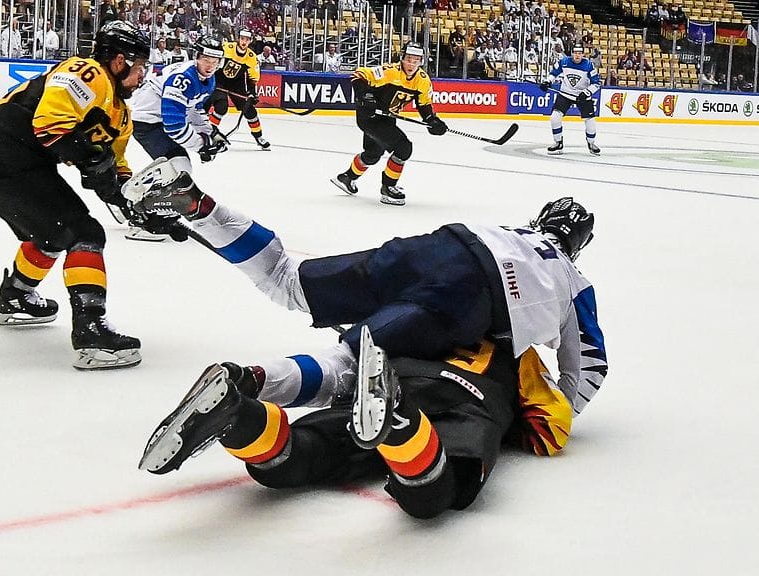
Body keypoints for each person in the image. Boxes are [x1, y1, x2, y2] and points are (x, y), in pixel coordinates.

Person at [129, 164, 606, 518]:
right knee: (349, 365)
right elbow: (589, 365)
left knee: (287, 279)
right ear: (577, 245)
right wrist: (554, 409)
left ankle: (200, 210)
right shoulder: (571, 277)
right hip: (476, 303)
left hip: (443, 246)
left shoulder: (505, 229)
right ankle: (354, 409)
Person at [0, 21, 151, 370]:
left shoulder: (120, 115)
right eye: (139, 68)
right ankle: (92, 333)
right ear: (120, 61)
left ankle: (16, 297)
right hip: (2, 156)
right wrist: (92, 159)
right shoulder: (87, 72)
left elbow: (115, 167)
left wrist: (135, 202)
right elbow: (51, 126)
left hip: (13, 163)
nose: (142, 77)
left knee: (53, 232)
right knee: (84, 234)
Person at [124, 35, 226, 242]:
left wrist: (210, 133)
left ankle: (147, 206)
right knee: (180, 168)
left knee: (179, 168)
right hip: (146, 121)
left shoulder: (207, 79)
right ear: (196, 57)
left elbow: (193, 108)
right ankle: (136, 205)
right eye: (206, 59)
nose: (210, 65)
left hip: (156, 119)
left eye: (215, 61)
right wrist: (202, 145)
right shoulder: (183, 78)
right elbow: (175, 126)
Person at [331, 43, 447, 206]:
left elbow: (424, 104)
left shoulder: (422, 80)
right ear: (402, 58)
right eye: (408, 59)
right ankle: (388, 187)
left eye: (416, 60)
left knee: (373, 153)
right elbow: (358, 75)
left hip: (387, 117)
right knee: (403, 147)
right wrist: (366, 96)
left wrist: (432, 120)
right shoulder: (389, 71)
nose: (411, 64)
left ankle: (346, 177)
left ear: (421, 61)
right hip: (370, 116)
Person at [207, 29, 270, 150]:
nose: (244, 42)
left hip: (237, 85)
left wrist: (252, 93)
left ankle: (259, 137)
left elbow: (252, 78)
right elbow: (213, 60)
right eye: (242, 39)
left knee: (250, 110)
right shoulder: (226, 47)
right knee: (221, 107)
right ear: (238, 39)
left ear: (250, 41)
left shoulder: (252, 57)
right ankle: (210, 134)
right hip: (220, 82)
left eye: (247, 39)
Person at [539, 44, 601, 156]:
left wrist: (586, 92)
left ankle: (591, 143)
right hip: (565, 93)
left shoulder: (589, 66)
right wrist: (547, 81)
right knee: (555, 117)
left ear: (583, 54)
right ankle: (558, 143)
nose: (577, 55)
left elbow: (596, 83)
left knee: (590, 119)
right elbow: (554, 73)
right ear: (572, 53)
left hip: (583, 96)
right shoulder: (564, 61)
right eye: (575, 52)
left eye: (579, 53)